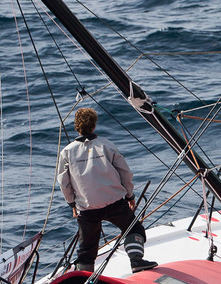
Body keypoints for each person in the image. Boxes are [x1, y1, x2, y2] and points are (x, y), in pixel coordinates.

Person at [55, 105, 157, 273]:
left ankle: (83, 279)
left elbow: (64, 183)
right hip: (114, 202)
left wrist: (72, 204)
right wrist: (130, 195)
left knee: (87, 247)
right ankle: (137, 262)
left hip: (87, 208)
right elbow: (125, 172)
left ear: (77, 127)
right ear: (94, 125)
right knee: (134, 229)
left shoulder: (67, 152)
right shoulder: (107, 145)